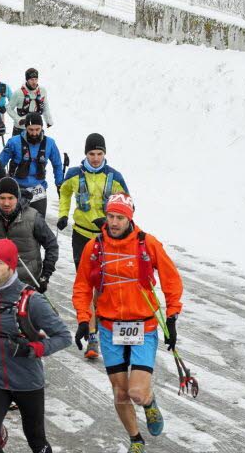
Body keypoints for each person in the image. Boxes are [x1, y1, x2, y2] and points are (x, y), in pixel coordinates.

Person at [72, 194, 183, 453]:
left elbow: (171, 279)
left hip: (143, 326)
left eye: (120, 218)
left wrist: (172, 316)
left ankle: (149, 401)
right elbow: (82, 286)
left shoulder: (147, 243)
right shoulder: (95, 247)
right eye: (111, 216)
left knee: (137, 393)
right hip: (110, 328)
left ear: (130, 218)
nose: (114, 222)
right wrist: (83, 319)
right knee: (120, 393)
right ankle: (136, 439)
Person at [0, 239, 72, 453]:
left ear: (11, 265)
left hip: (27, 382)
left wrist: (34, 349)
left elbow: (64, 337)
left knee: (36, 441)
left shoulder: (33, 300)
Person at [58, 133, 129, 358]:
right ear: (85, 154)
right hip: (81, 236)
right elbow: (64, 192)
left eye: (99, 154)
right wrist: (63, 214)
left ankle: (102, 326)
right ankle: (92, 336)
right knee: (86, 285)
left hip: (105, 238)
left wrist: (114, 224)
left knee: (103, 286)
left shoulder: (114, 177)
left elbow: (128, 206)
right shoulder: (74, 174)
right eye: (91, 154)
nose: (96, 158)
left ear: (104, 154)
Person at [0, 178, 59, 293]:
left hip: (26, 281)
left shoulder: (33, 217)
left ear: (18, 198)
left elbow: (52, 245)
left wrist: (45, 275)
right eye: (2, 198)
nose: (6, 203)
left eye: (11, 198)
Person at [0, 113, 63, 218]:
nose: (34, 133)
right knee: (14, 221)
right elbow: (0, 164)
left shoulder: (50, 143)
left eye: (37, 129)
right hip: (16, 187)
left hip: (38, 188)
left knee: (38, 221)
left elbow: (57, 165)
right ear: (26, 128)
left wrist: (59, 184)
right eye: (31, 130)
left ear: (42, 127)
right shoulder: (14, 142)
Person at [7, 68, 53, 136]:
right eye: (31, 79)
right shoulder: (18, 93)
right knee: (15, 143)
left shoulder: (42, 91)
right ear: (27, 80)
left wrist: (48, 121)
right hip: (21, 128)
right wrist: (18, 119)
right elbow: (9, 108)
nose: (34, 82)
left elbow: (45, 106)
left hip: (36, 129)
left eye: (36, 79)